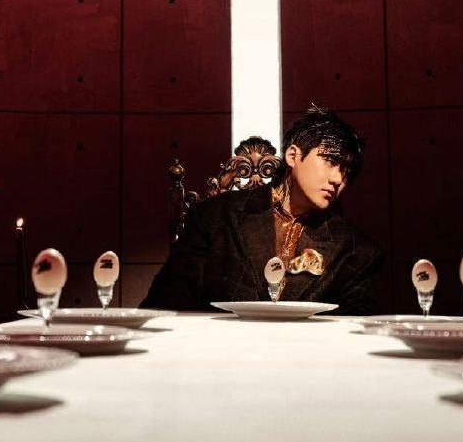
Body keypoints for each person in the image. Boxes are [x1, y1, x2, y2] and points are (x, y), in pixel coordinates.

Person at [141, 105, 384, 314]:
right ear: (293, 156)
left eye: (346, 172)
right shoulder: (214, 217)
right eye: (331, 162)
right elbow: (163, 305)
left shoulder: (356, 250)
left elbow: (358, 329)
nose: (338, 179)